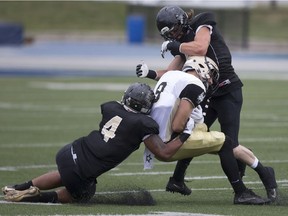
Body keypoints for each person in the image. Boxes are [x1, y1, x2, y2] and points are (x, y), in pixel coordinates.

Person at [135, 5, 277, 201]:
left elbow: (200, 47)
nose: (174, 36)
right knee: (195, 134)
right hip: (205, 93)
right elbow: (172, 72)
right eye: (169, 34)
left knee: (228, 144)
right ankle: (178, 179)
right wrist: (149, 73)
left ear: (182, 21)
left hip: (227, 89)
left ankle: (263, 173)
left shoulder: (203, 22)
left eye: (175, 30)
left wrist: (176, 47)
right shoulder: (182, 43)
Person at [2, 82, 194, 204]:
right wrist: (186, 132)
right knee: (84, 193)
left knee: (65, 173)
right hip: (82, 170)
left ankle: (19, 186)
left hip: (69, 151)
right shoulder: (144, 124)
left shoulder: (111, 107)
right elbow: (165, 153)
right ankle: (36, 197)